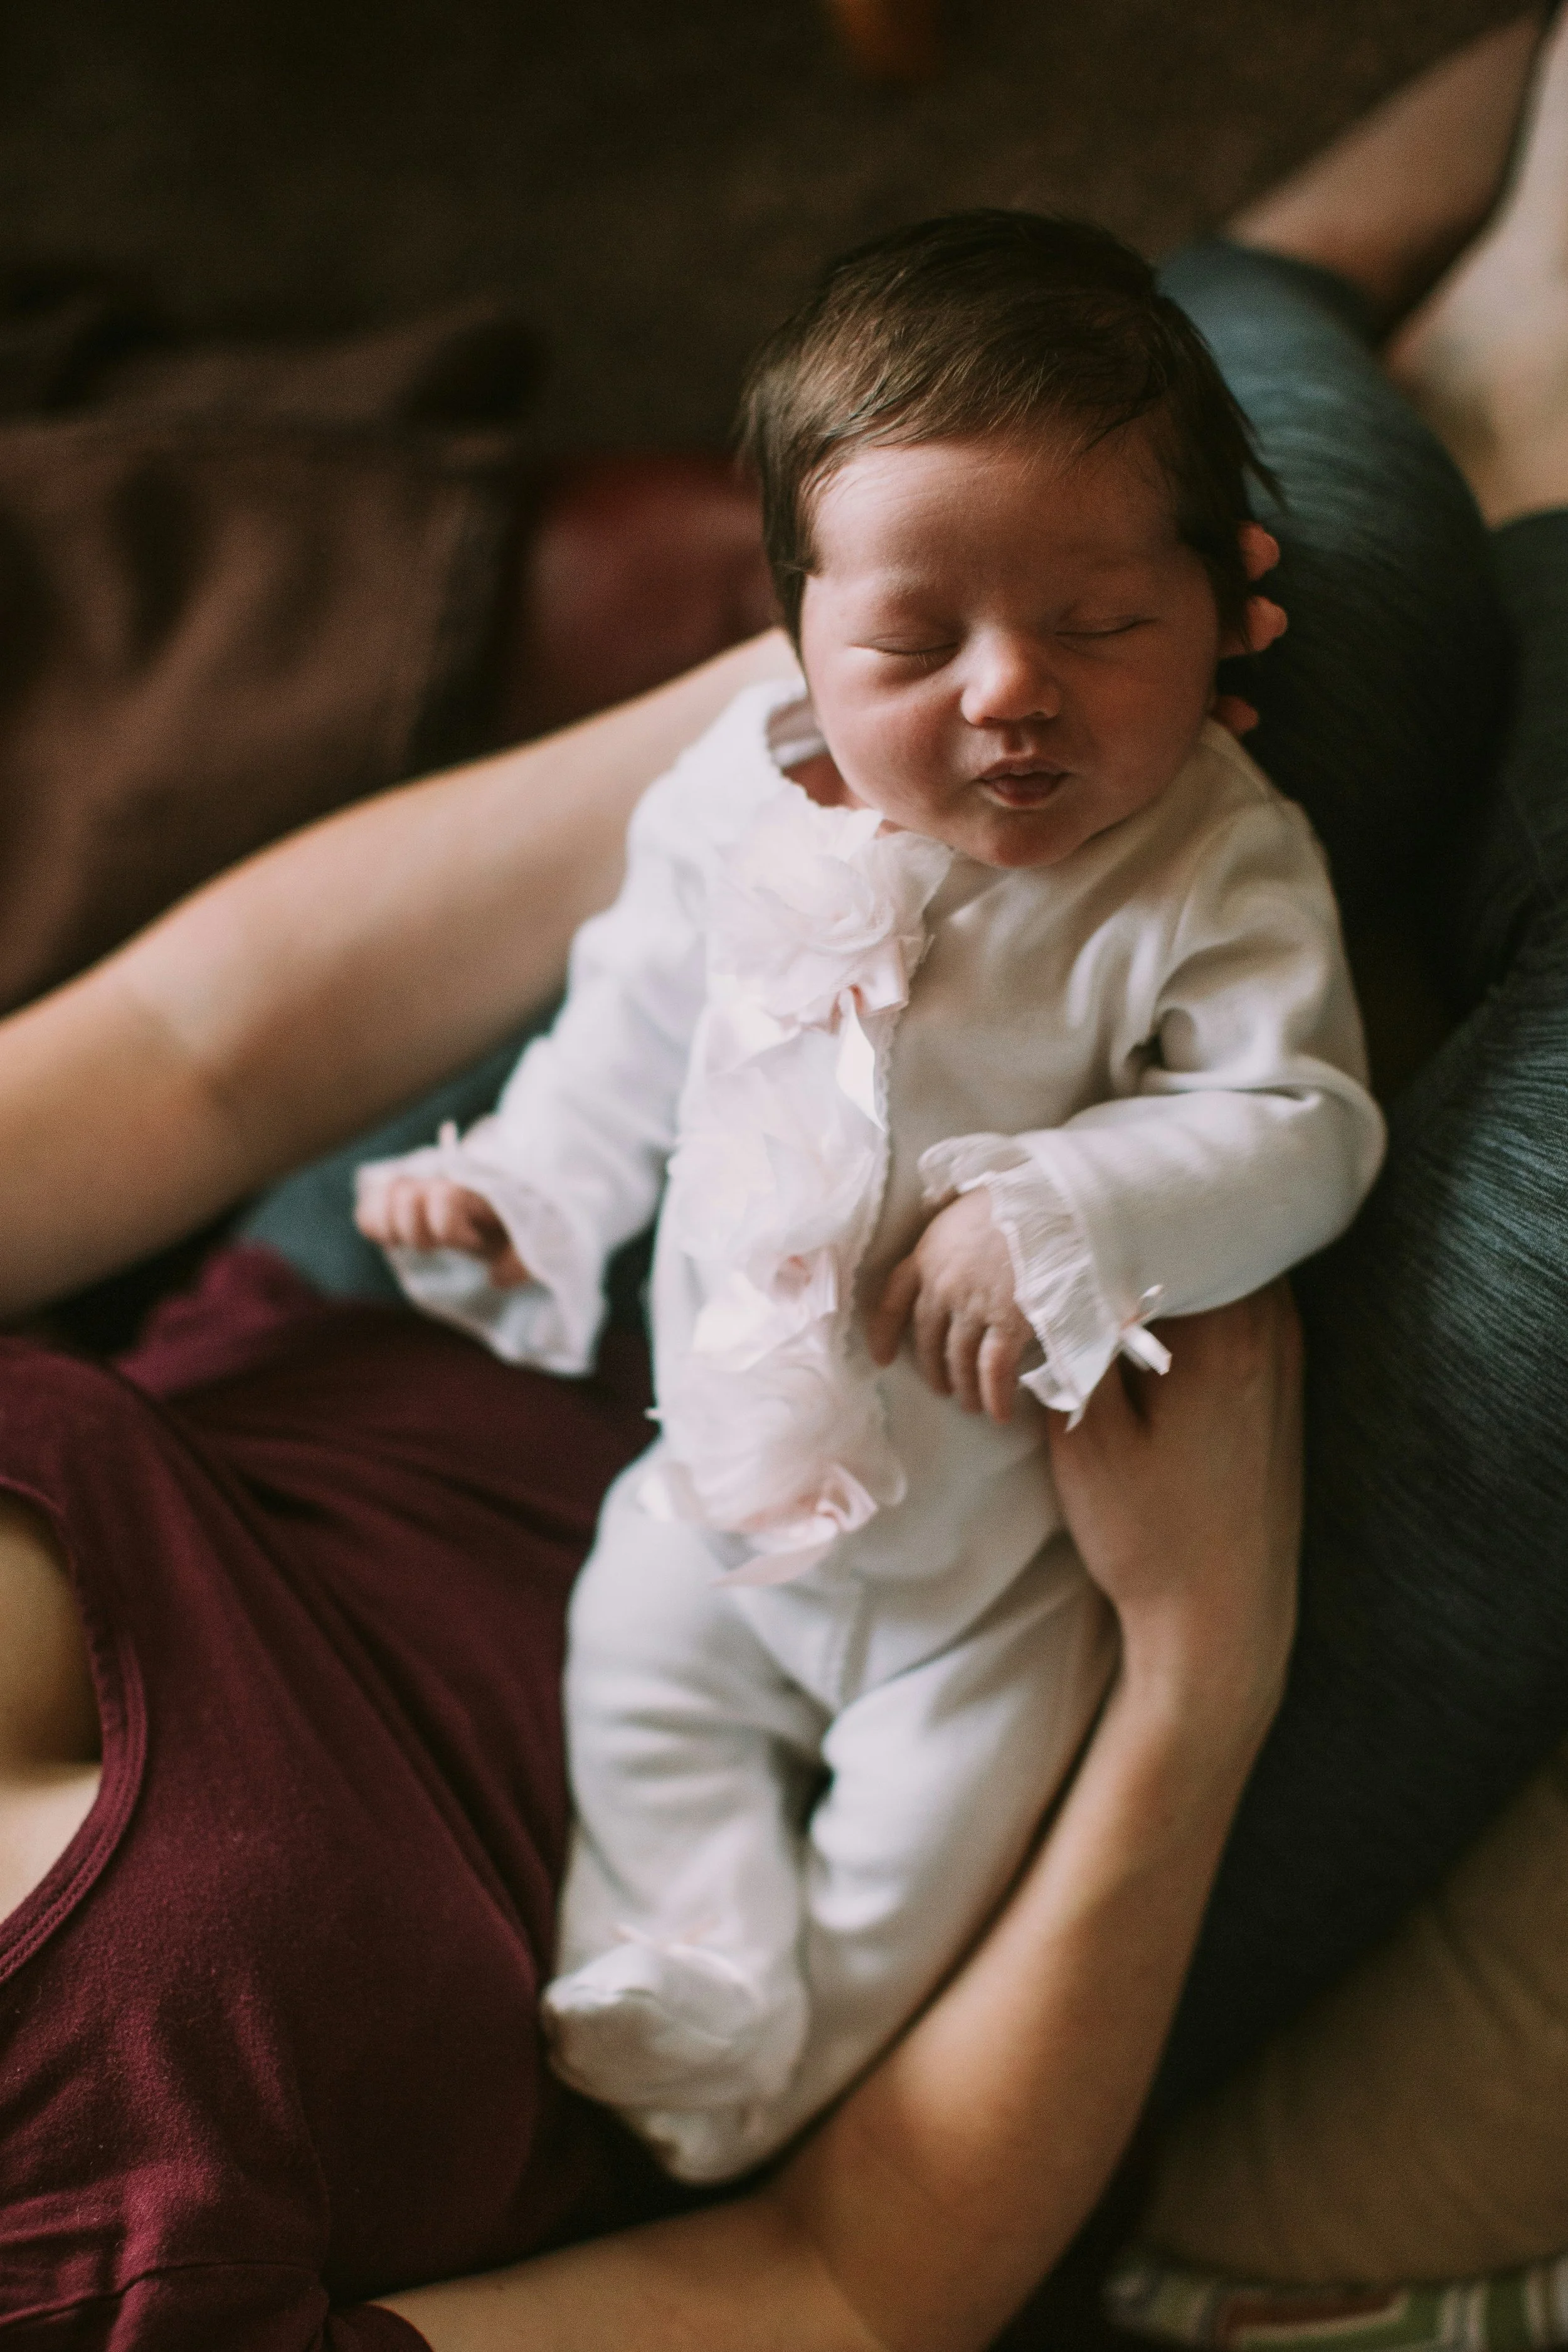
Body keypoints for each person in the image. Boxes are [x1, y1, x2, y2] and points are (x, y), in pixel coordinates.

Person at [1, 11, 1567, 2346]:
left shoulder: (991, 775)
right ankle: (1502, 438)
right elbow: (839, 2282)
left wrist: (858, 697)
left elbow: (200, 1045)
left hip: (480, 1327)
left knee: (1310, 584)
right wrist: (1197, 1669)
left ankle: (1358, 290)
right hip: (998, 1743)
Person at [353, 211, 1380, 2185]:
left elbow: (1304, 1119)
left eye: (1103, 625)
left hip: (992, 1568)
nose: (1014, 692)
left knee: (928, 1849)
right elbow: (623, 1023)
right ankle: (686, 1978)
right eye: (916, 641)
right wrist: (525, 1183)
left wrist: (1076, 1200)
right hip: (719, 1493)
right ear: (800, 628)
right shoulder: (726, 799)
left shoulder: (1204, 863)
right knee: (636, 1694)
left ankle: (774, 2074)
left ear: (1230, 607)